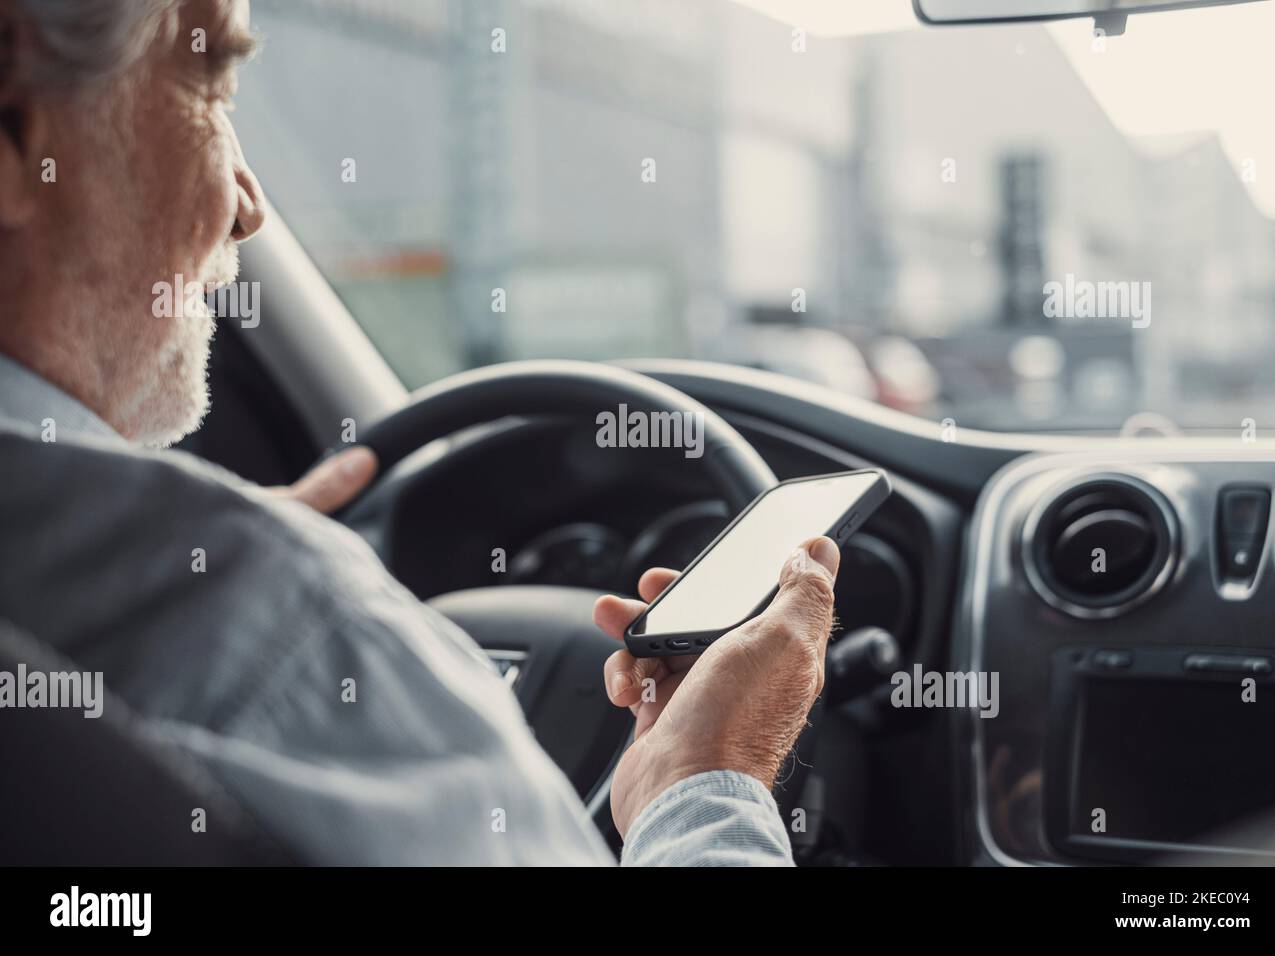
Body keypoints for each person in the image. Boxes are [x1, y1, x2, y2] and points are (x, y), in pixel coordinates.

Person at [0, 0, 841, 865]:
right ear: (19, 132)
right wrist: (705, 777)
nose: (249, 204)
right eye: (207, 88)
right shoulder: (278, 639)